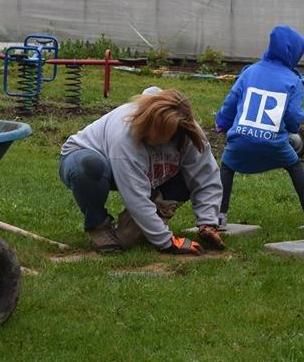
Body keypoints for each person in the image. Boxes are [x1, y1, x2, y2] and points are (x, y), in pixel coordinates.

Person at [58, 87, 225, 253]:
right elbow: (135, 195)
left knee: (127, 239)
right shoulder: (125, 134)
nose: (152, 137)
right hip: (89, 161)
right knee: (88, 165)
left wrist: (207, 223)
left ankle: (153, 214)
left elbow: (206, 177)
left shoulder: (188, 132)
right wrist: (167, 243)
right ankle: (98, 227)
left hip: (147, 172)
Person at [215, 26, 304, 229]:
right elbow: (293, 116)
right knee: (294, 165)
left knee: (227, 166)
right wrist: (292, 127)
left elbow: (231, 100)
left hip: (240, 138)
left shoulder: (250, 72)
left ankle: (219, 216)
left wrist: (222, 123)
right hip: (274, 143)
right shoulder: (293, 80)